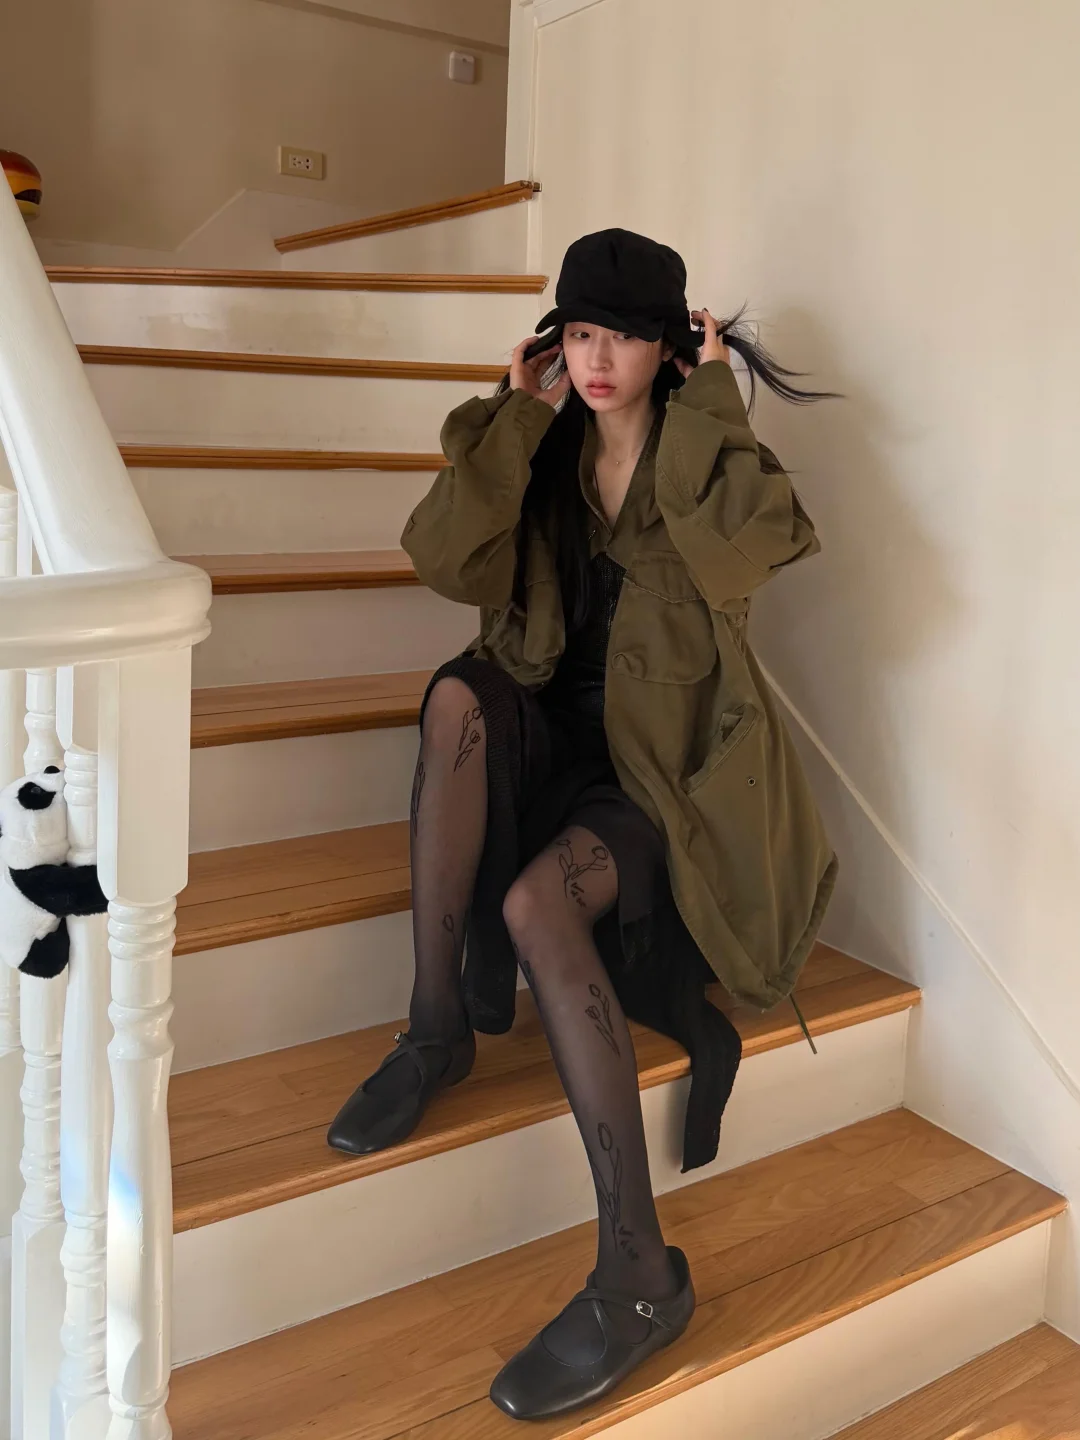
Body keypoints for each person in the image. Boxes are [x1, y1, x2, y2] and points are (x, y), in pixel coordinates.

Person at [326, 228, 838, 1419]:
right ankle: (435, 1030)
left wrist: (710, 407)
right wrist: (514, 419)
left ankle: (640, 1273)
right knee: (458, 697)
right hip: (548, 738)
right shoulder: (541, 446)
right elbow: (444, 560)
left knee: (536, 905)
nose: (599, 360)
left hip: (661, 774)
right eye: (583, 334)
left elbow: (749, 557)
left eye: (625, 338)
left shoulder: (708, 459)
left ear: (671, 347)